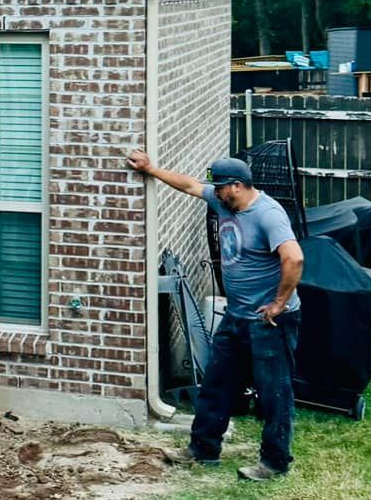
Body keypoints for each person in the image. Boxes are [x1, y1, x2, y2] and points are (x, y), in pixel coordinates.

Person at [127, 152, 304, 481]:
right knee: (217, 384)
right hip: (237, 315)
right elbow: (191, 185)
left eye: (221, 188)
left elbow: (293, 258)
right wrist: (151, 169)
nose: (215, 193)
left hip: (270, 321)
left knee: (273, 392)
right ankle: (203, 449)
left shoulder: (268, 215)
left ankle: (275, 463)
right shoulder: (225, 201)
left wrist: (278, 304)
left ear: (237, 186)